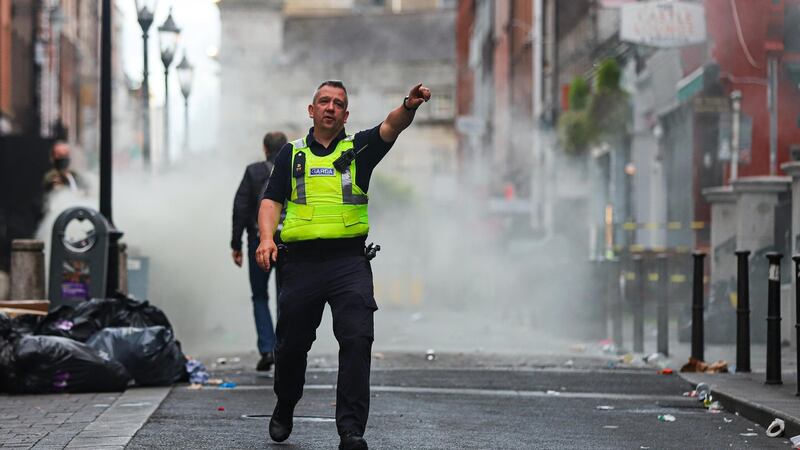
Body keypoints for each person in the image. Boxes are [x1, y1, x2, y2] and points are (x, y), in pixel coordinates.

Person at [256, 80, 431, 450]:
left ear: (346, 115)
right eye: (323, 101)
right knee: (290, 347)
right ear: (311, 110)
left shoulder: (360, 148)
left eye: (338, 103)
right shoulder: (292, 154)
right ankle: (286, 404)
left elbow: (391, 125)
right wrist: (267, 238)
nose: (330, 108)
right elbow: (271, 201)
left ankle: (351, 430)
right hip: (300, 266)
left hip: (348, 263)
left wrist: (409, 105)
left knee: (356, 340)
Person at [231, 131, 287, 372]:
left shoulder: (253, 172)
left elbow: (240, 208)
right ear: (285, 149)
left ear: (265, 149)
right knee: (285, 296)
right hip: (288, 240)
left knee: (260, 295)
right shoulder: (294, 168)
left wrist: (235, 244)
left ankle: (267, 348)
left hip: (259, 240)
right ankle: (285, 348)